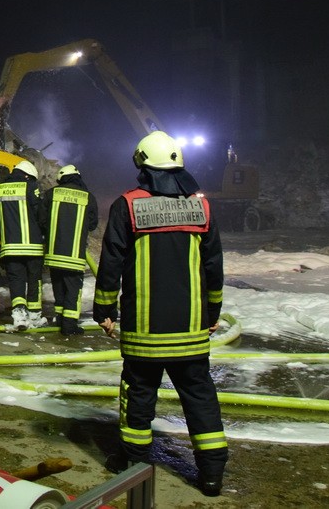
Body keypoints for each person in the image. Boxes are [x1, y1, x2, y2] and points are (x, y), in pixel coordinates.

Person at [93, 131, 227, 497]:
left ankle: (134, 466)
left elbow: (112, 262)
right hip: (191, 331)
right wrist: (212, 310)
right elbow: (213, 266)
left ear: (141, 163)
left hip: (144, 333)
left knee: (139, 397)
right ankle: (212, 476)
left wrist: (103, 308)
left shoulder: (127, 205)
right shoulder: (203, 207)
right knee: (200, 399)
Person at [0, 159, 47, 331]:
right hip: (33, 247)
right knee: (34, 280)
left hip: (11, 248)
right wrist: (43, 233)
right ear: (27, 176)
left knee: (16, 280)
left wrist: (2, 233)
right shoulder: (31, 187)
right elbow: (41, 215)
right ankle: (35, 317)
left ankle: (19, 317)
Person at [39, 164, 98, 335]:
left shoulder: (51, 194)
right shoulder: (88, 197)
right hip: (75, 255)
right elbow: (93, 224)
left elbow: (42, 220)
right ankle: (69, 325)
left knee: (59, 286)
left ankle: (59, 319)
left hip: (54, 254)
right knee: (73, 289)